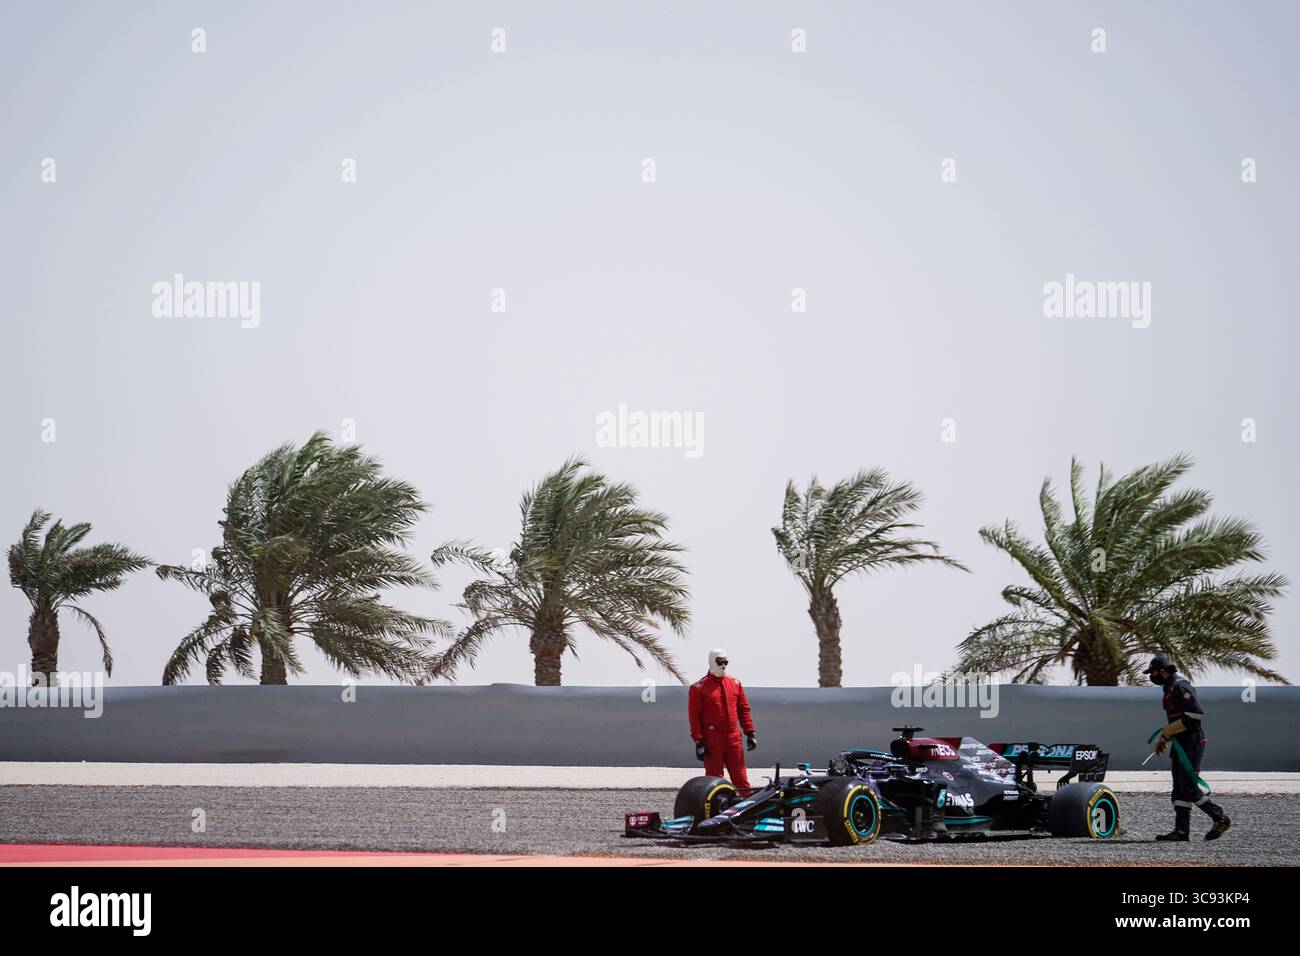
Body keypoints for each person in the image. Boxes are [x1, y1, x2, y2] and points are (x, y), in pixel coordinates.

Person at [1145, 655, 1231, 841]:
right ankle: (1181, 831)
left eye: (1153, 672)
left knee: (1188, 788)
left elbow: (1194, 716)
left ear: (1163, 670)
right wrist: (1166, 738)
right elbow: (1177, 719)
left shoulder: (1180, 686)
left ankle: (1220, 817)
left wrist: (1167, 732)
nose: (1151, 676)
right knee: (1179, 789)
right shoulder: (1168, 687)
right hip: (1181, 742)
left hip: (1191, 742)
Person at [687, 648, 757, 790]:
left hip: (733, 738)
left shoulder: (735, 684)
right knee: (714, 779)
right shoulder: (699, 688)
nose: (723, 665)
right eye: (720, 662)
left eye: (726, 662)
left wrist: (750, 732)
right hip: (712, 739)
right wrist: (699, 741)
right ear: (712, 662)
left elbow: (743, 709)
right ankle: (715, 809)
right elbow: (694, 716)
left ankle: (746, 807)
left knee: (741, 779)